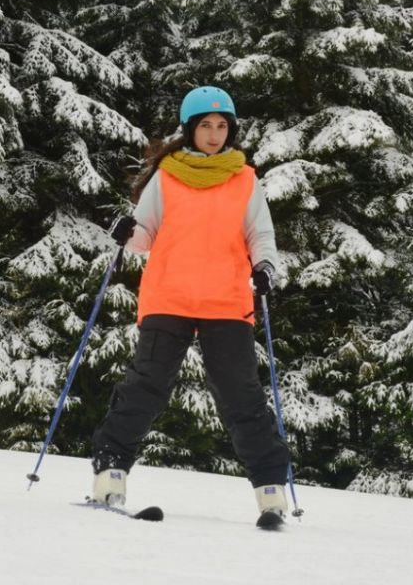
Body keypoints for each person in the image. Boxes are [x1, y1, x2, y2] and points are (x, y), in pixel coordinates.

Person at [90, 86, 291, 527]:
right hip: (170, 296)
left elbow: (260, 234)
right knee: (146, 386)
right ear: (190, 130)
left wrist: (265, 266)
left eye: (222, 126)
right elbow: (144, 236)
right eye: (206, 126)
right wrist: (126, 230)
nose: (215, 134)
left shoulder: (244, 179)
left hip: (226, 301)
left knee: (242, 396)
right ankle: (110, 475)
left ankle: (271, 492)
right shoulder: (167, 177)